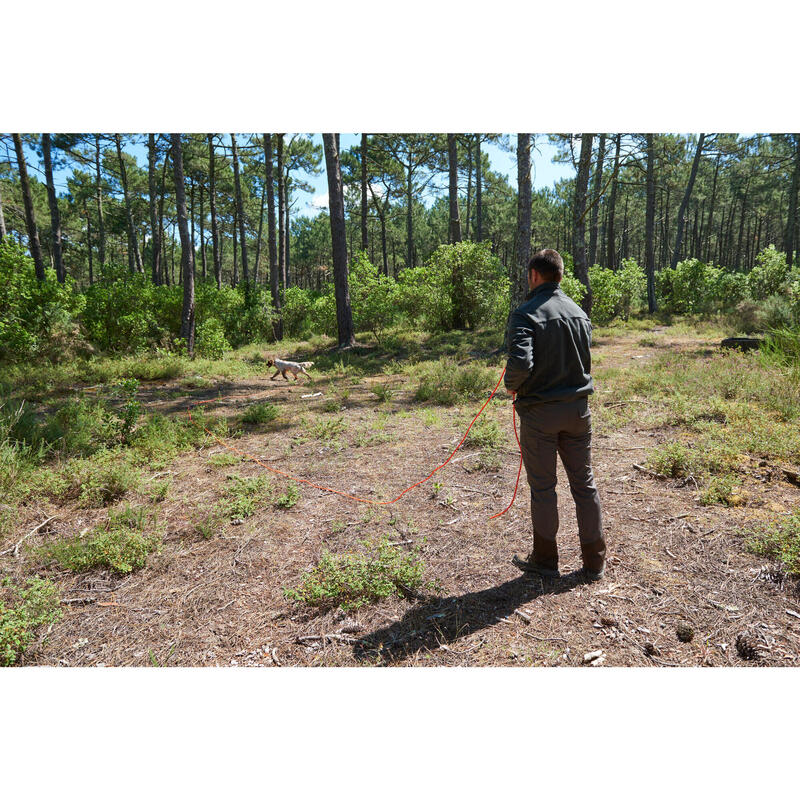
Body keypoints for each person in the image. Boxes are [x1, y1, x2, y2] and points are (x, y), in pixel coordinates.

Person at [504, 249, 606, 581]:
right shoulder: (579, 312)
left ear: (535, 275)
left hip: (540, 415)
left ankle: (545, 561)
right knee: (584, 485)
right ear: (560, 276)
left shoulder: (525, 313)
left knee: (544, 488)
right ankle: (595, 562)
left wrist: (511, 385)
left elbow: (521, 363)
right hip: (578, 412)